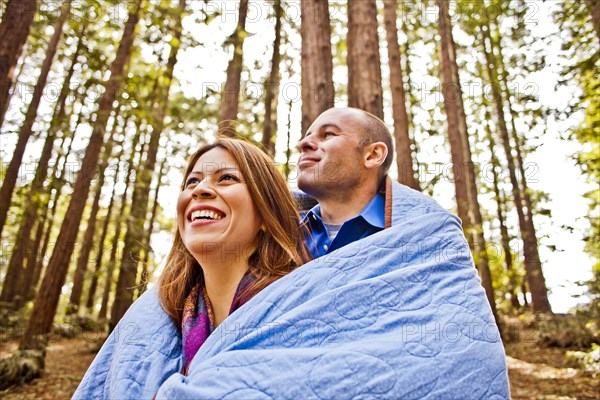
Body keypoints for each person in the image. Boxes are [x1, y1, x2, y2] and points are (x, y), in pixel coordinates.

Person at [74, 138, 311, 397]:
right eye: (192, 181)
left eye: (227, 178)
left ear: (267, 214)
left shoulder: (303, 304)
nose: (200, 190)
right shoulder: (153, 314)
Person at [296, 107, 393, 258]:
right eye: (307, 136)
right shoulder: (281, 235)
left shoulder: (416, 232)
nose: (303, 144)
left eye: (328, 134)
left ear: (372, 155)